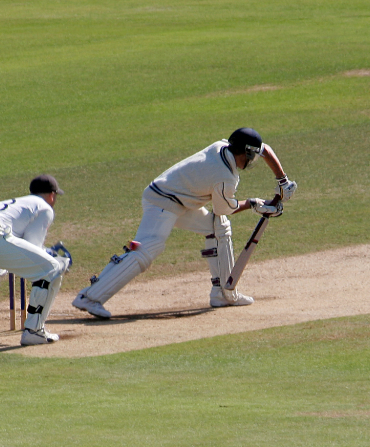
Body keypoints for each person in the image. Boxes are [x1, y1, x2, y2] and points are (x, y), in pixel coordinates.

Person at [72, 127, 298, 319]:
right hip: (162, 201)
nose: (251, 161)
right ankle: (90, 297)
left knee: (219, 227)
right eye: (251, 156)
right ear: (244, 152)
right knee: (149, 247)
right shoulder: (224, 177)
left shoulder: (223, 146)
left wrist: (283, 180)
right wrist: (255, 203)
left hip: (178, 199)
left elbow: (264, 148)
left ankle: (223, 293)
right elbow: (225, 209)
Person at [0, 175, 70, 346]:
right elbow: (33, 244)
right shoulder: (45, 208)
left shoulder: (21, 202)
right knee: (51, 269)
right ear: (52, 195)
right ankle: (34, 331)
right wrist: (58, 260)